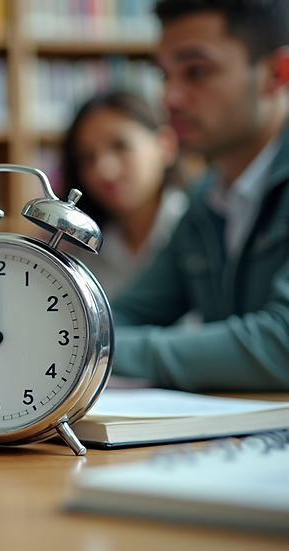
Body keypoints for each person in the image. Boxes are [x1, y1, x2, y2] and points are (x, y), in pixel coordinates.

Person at [111, 0, 289, 391]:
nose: (169, 98)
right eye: (164, 75)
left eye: (196, 71)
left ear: (277, 73)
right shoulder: (204, 196)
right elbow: (128, 312)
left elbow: (282, 344)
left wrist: (86, 349)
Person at [61, 91, 187, 299]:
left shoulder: (199, 226)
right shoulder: (86, 250)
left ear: (165, 145)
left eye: (120, 146)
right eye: (87, 157)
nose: (103, 170)